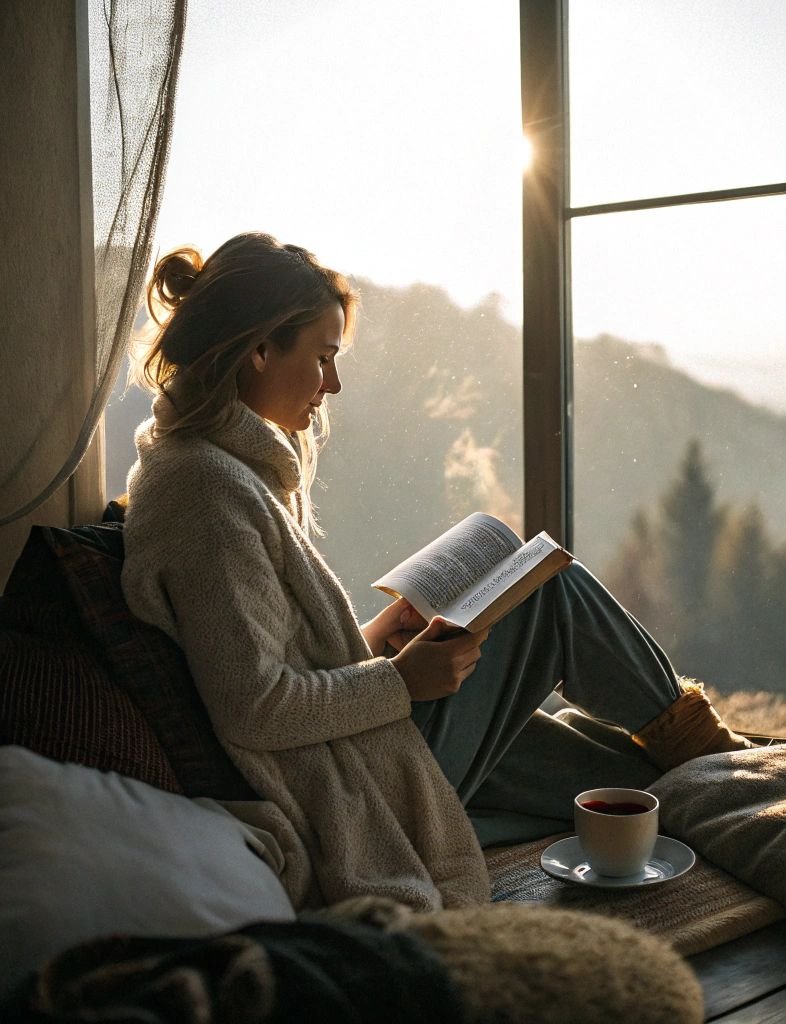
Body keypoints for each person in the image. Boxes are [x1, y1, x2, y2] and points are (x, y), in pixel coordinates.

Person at [121, 231, 752, 914]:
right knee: (548, 589)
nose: (333, 384)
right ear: (261, 348)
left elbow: (268, 659)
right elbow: (255, 709)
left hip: (356, 744)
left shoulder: (227, 470)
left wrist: (375, 640)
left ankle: (729, 777)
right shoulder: (205, 494)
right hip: (345, 777)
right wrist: (402, 680)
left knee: (636, 791)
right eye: (324, 358)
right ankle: (708, 742)